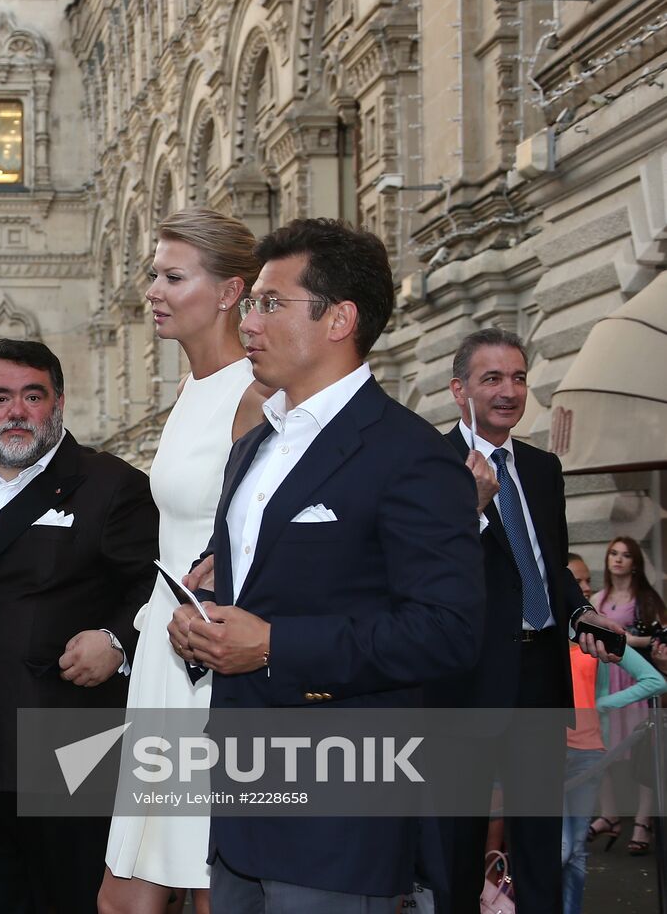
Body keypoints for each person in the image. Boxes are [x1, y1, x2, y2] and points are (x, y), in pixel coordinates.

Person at [167, 217, 487, 911]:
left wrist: (275, 646)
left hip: (339, 820)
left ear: (339, 318)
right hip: (238, 802)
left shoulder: (409, 456)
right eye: (250, 301)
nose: (247, 320)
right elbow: (266, 577)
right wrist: (201, 612)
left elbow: (448, 630)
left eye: (269, 303)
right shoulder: (253, 449)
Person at [0, 338, 159, 914]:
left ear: (58, 402)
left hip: (61, 739)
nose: (15, 411)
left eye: (32, 395)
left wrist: (118, 640)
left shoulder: (112, 485)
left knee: (66, 896)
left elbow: (154, 586)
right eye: (0, 396)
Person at [100, 208, 266, 914]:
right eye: (152, 276)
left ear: (229, 291)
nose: (154, 292)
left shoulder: (255, 393)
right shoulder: (190, 391)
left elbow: (266, 534)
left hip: (210, 665)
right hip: (165, 659)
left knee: (205, 888)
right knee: (128, 894)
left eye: (172, 277)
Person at [427, 327, 621, 912]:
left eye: (518, 377)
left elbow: (548, 564)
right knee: (460, 846)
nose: (508, 391)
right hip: (469, 683)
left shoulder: (541, 468)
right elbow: (426, 572)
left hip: (540, 676)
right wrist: (473, 506)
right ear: (459, 389)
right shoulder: (430, 467)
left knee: (540, 842)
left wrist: (584, 612)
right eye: (492, 378)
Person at [561, 552, 666, 914]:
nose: (587, 588)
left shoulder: (596, 633)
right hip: (541, 752)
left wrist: (602, 703)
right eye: (578, 581)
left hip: (587, 753)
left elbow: (654, 679)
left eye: (588, 580)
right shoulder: (534, 635)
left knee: (572, 850)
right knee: (550, 847)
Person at [586, 535, 666, 855]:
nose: (618, 560)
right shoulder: (599, 599)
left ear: (635, 563)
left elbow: (662, 635)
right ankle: (610, 814)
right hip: (606, 681)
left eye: (625, 555)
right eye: (613, 554)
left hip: (635, 681)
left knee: (641, 753)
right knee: (604, 750)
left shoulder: (646, 599)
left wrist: (635, 643)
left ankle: (643, 821)